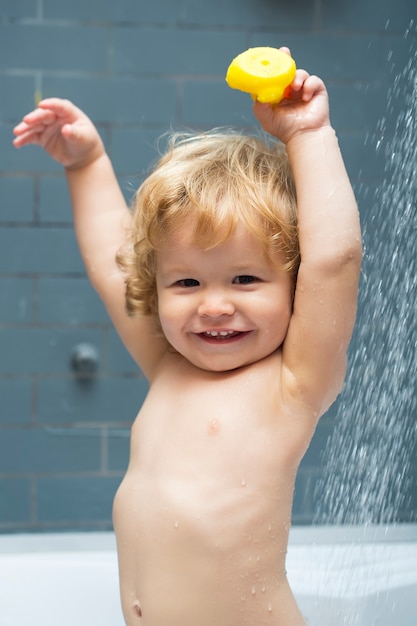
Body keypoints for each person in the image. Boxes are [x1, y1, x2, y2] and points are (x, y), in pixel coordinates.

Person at [13, 49, 362, 626]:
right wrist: (86, 163)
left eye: (246, 278)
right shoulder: (169, 362)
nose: (214, 304)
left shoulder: (294, 383)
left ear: (294, 284)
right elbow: (112, 261)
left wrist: (308, 135)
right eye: (187, 281)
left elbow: (335, 261)